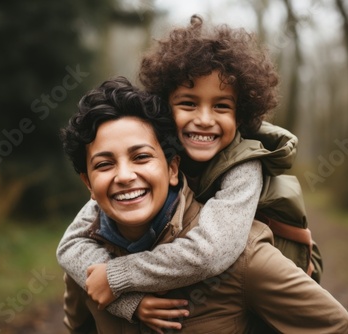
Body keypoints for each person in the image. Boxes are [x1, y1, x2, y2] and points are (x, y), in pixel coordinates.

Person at [57, 15, 322, 330]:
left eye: (221, 107)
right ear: (165, 106)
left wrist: (116, 278)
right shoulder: (152, 159)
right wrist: (126, 301)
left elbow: (210, 252)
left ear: (241, 116)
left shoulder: (244, 166)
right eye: (188, 104)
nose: (205, 119)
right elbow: (71, 244)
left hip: (283, 265)